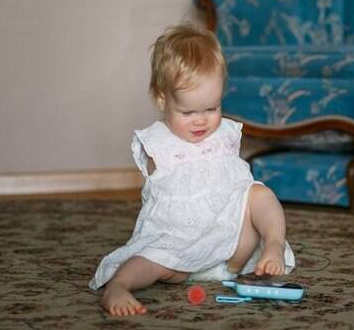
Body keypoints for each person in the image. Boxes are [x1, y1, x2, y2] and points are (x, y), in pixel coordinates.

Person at [89, 24, 295, 316]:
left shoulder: (225, 133)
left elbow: (236, 193)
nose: (201, 121)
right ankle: (119, 286)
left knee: (258, 194)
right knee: (148, 260)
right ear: (162, 100)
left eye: (212, 108)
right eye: (188, 113)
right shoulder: (159, 142)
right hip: (179, 245)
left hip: (231, 250)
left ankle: (274, 243)